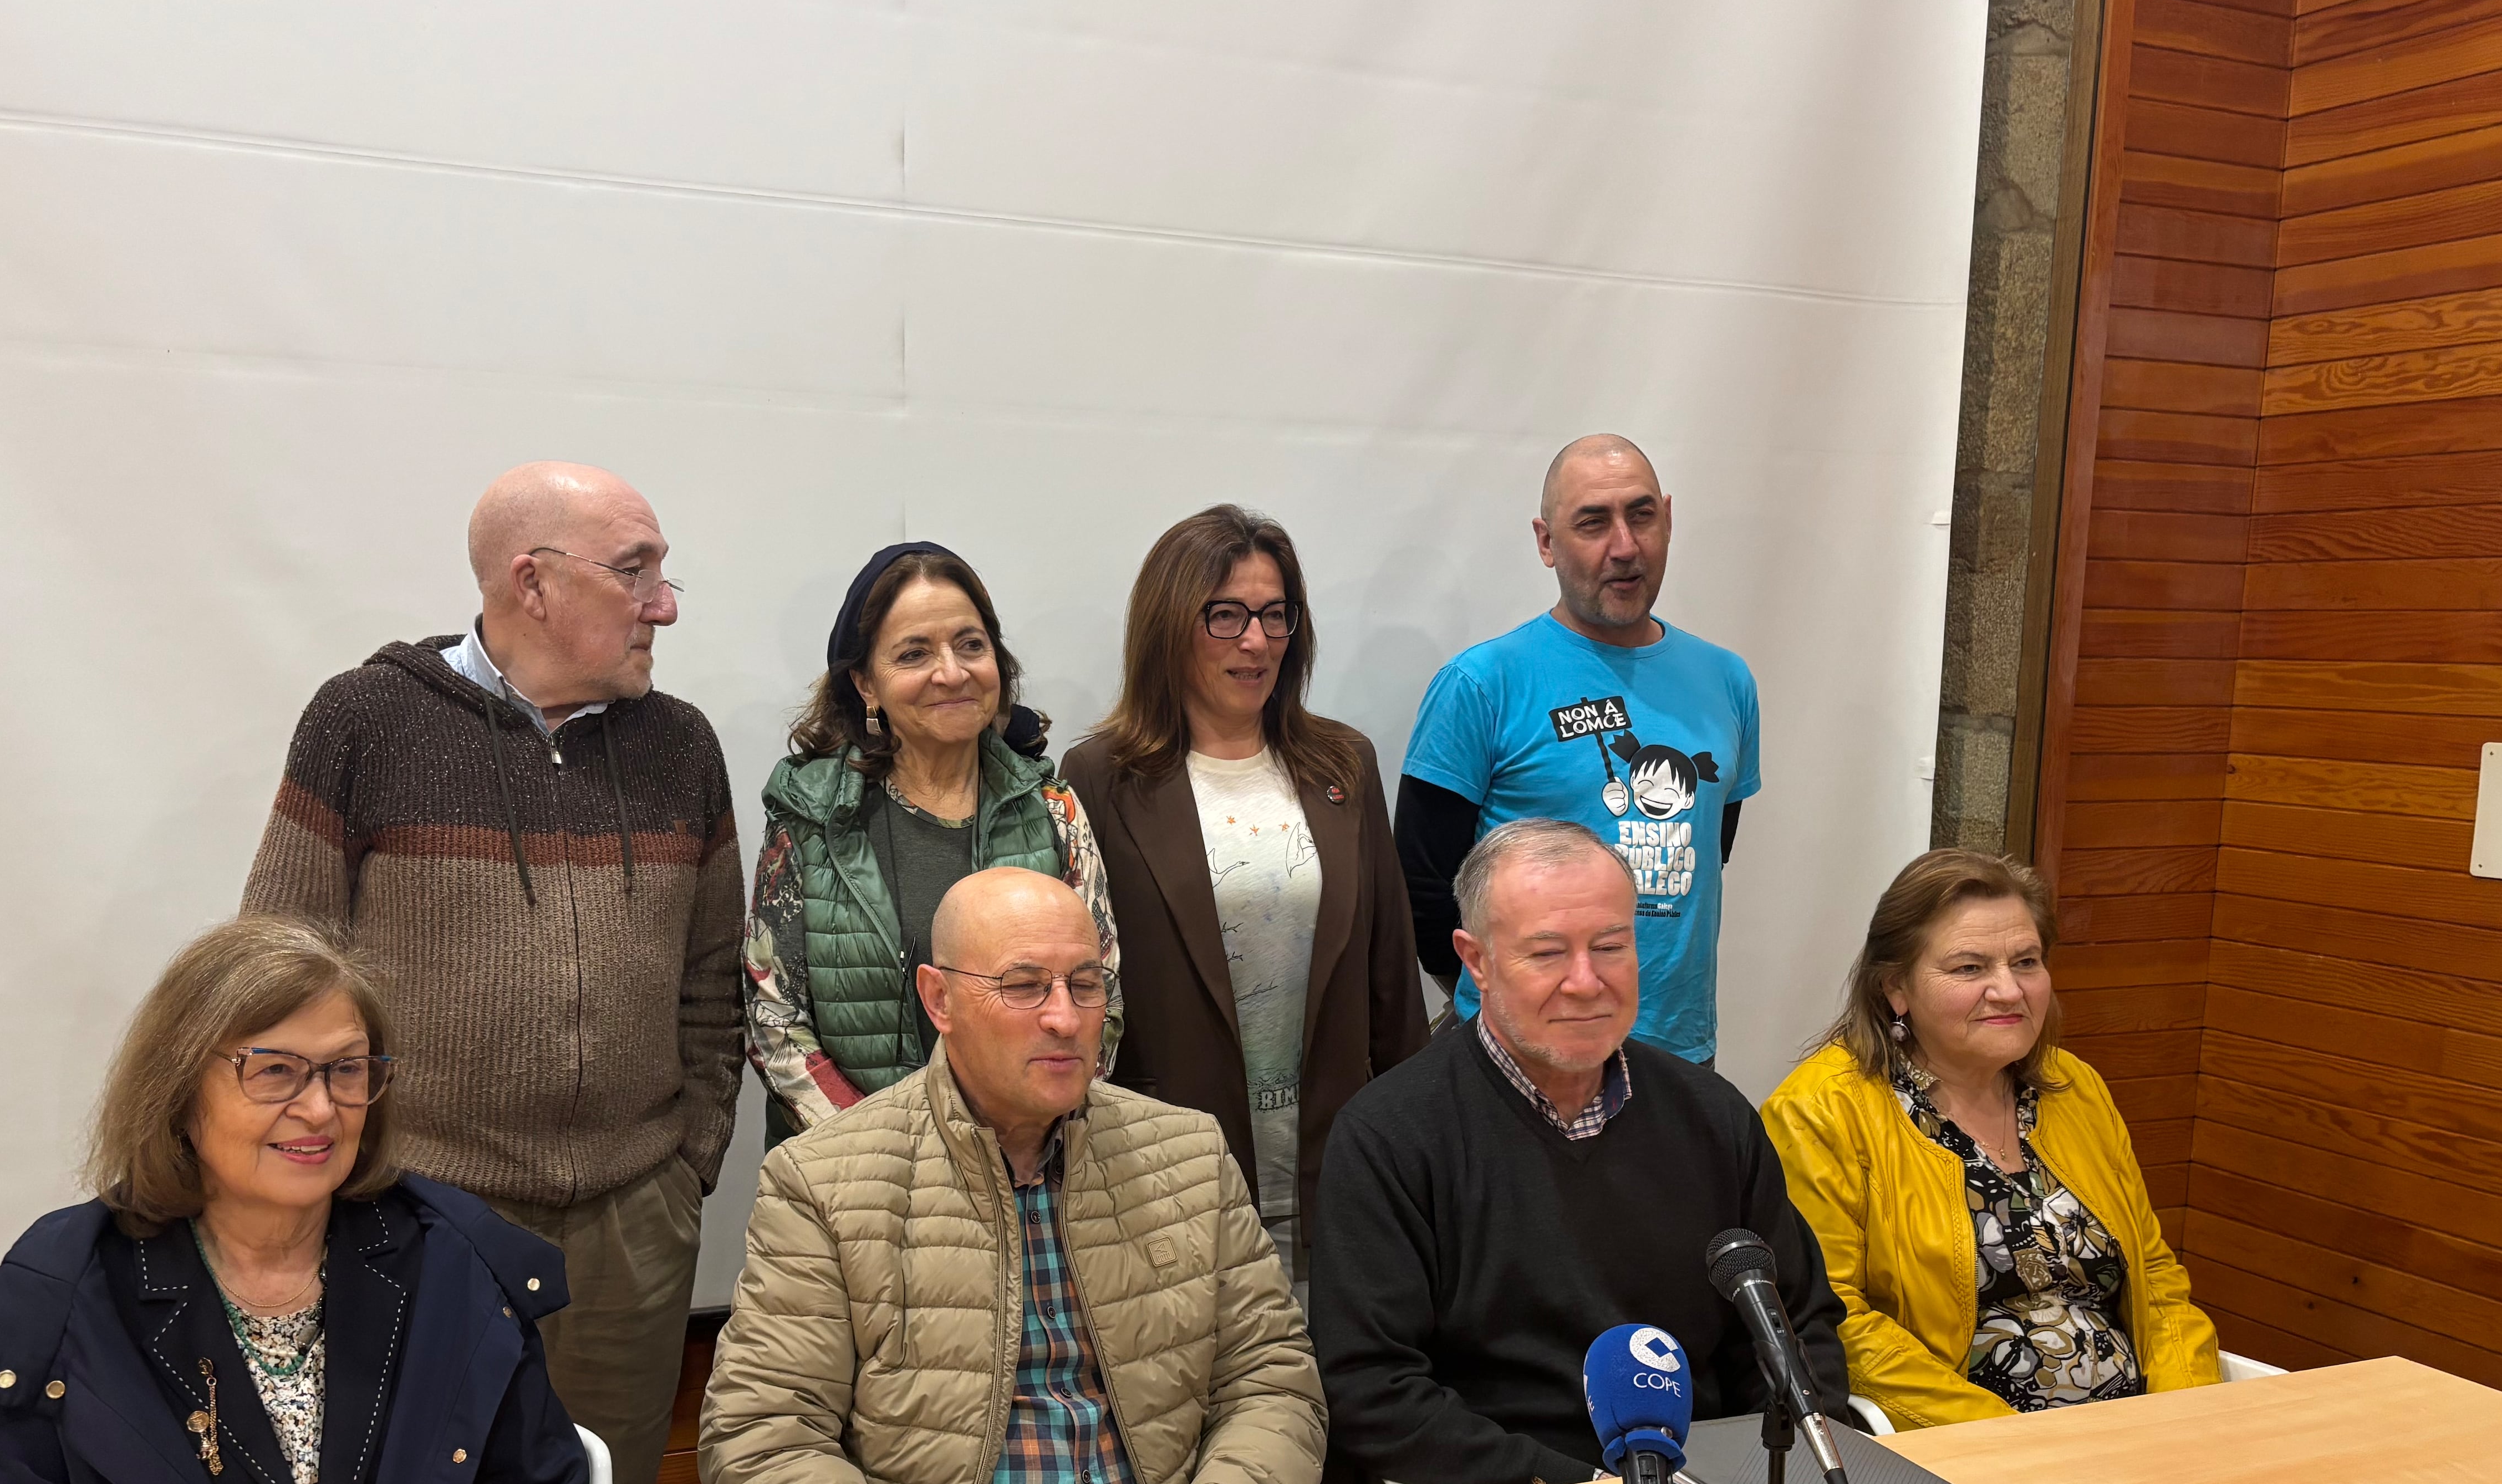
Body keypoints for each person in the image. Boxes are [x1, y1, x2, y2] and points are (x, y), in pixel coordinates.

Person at [0, 916, 590, 1484]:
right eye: (274, 1071)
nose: (320, 1108)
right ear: (178, 1088)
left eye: (346, 1070)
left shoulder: (455, 1267)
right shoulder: (63, 1305)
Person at [242, 461, 743, 1484]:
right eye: (636, 572)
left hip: (632, 1235)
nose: (664, 603)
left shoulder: (682, 748)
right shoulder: (365, 723)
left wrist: (686, 1165)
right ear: (533, 583)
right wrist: (343, 1188)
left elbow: (715, 987)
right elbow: (275, 983)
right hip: (423, 1220)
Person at [700, 868, 1325, 1484]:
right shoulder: (827, 1182)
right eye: (1024, 986)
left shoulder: (1185, 1154)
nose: (1065, 1017)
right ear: (940, 999)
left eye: (1085, 984)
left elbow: (1272, 1380)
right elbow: (763, 1442)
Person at [1314, 820, 1844, 1484]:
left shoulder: (1711, 1115)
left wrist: (1776, 1476)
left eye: (1609, 947)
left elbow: (1795, 1324)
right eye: (1546, 954)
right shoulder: (1389, 1136)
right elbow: (1372, 1389)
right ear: (1475, 960)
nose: (1585, 982)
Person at [1062, 504, 1427, 1298]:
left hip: (1338, 1159)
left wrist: (1417, 1144)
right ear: (1169, 624)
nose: (1255, 641)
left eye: (1274, 615)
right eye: (1224, 615)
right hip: (1170, 1168)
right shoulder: (1102, 777)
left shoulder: (1344, 764)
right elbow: (1094, 988)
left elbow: (1390, 976)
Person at [1762, 849, 2220, 1430]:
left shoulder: (2072, 1086)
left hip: (2137, 1435)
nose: (2008, 991)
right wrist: (2006, 1439)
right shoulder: (1822, 1111)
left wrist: (2188, 1414)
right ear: (1896, 989)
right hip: (1967, 1451)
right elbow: (1834, 1321)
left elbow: (2153, 1275)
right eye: (1969, 968)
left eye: (2025, 962)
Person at [1397, 435, 1761, 1065]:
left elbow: (1708, 850)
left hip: (1678, 1054)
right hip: (1519, 1055)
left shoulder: (1726, 681)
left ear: (1667, 519)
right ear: (1545, 542)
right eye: (1592, 523)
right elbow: (1422, 886)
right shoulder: (1482, 684)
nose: (1623, 547)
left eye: (1640, 515)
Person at [745, 541, 1122, 1141]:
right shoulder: (808, 814)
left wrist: (1024, 1137)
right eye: (915, 653)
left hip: (1026, 1166)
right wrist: (881, 1152)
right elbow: (775, 1019)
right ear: (866, 684)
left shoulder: (1052, 809)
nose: (951, 672)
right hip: (852, 1179)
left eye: (970, 645)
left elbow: (1100, 995)